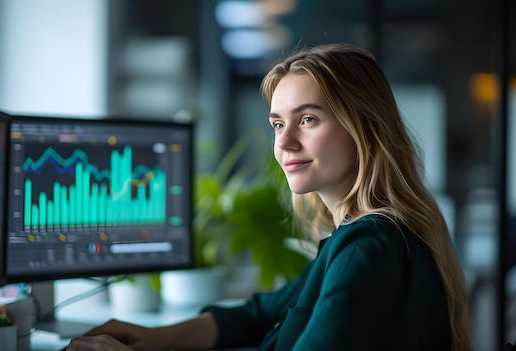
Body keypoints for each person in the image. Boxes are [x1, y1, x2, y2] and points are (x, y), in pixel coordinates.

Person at [63, 43, 471, 351]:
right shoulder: (364, 237)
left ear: (364, 127)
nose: (286, 142)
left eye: (308, 119)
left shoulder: (370, 246)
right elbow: (262, 314)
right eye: (278, 123)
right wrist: (154, 339)